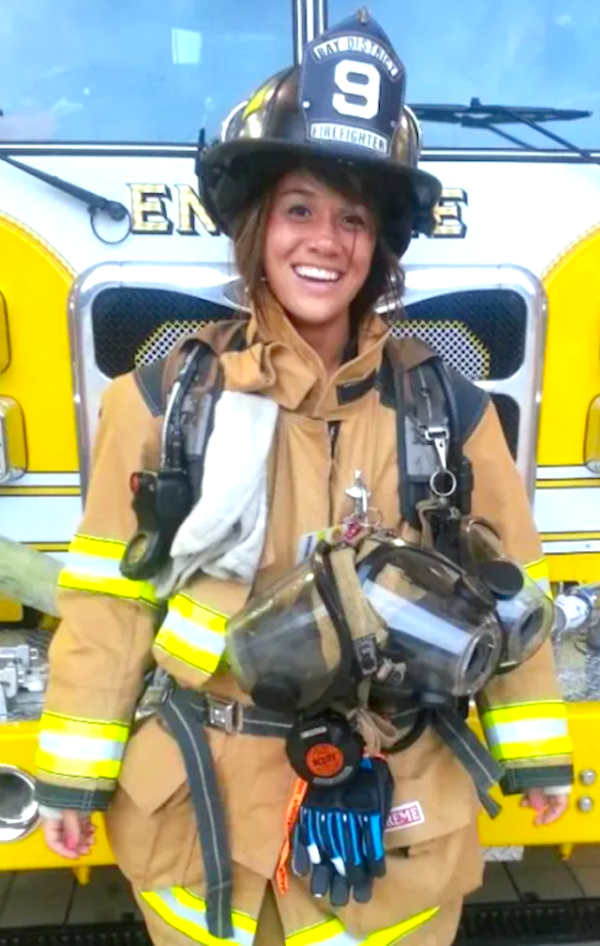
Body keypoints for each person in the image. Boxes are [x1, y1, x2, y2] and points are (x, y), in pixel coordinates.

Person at [35, 11, 572, 946]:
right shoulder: (158, 403)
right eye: (299, 209)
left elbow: (511, 599)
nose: (326, 240)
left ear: (380, 246)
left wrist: (537, 756)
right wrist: (73, 774)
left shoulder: (450, 411)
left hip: (393, 814)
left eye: (353, 218)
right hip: (204, 825)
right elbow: (108, 603)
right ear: (256, 226)